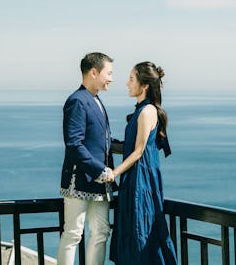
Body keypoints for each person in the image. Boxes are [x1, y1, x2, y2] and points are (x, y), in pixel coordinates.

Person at [109, 61, 177, 264]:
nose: (127, 83)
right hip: (135, 180)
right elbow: (132, 147)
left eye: (131, 79)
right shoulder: (141, 110)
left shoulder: (147, 111)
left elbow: (138, 151)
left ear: (144, 85)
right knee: (135, 232)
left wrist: (113, 173)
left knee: (141, 232)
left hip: (141, 181)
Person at [58, 52, 116, 265]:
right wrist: (100, 171)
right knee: (73, 233)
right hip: (80, 178)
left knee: (101, 232)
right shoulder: (77, 101)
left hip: (99, 182)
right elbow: (74, 143)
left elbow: (100, 139)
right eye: (108, 73)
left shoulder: (95, 99)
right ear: (94, 72)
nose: (111, 78)